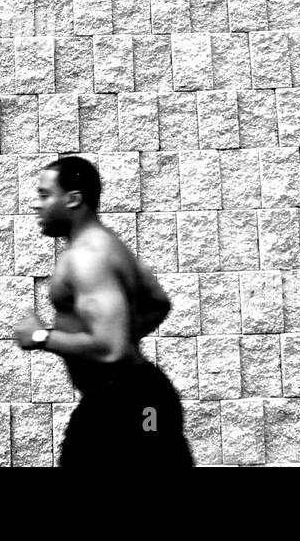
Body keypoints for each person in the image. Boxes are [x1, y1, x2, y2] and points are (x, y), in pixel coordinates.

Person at [14, 155, 194, 467]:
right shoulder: (110, 244)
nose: (35, 204)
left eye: (44, 195)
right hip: (146, 404)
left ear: (73, 200)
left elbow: (110, 349)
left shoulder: (86, 257)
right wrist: (122, 335)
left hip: (120, 407)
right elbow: (158, 303)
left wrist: (41, 336)